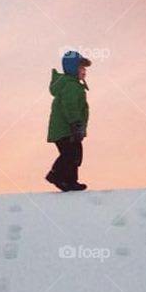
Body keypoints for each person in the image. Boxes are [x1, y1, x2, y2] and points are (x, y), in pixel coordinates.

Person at [46, 50, 91, 191]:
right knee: (70, 153)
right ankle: (56, 175)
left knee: (75, 154)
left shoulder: (74, 85)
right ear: (72, 69)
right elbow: (70, 106)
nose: (84, 71)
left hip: (68, 128)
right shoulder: (71, 86)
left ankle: (70, 181)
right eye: (81, 68)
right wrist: (76, 123)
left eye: (84, 69)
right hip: (65, 128)